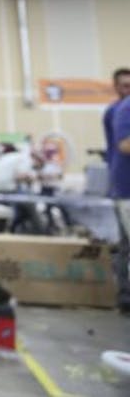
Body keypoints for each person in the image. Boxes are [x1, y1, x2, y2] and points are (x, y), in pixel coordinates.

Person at [108, 68, 130, 313]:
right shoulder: (122, 110)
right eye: (124, 85)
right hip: (126, 187)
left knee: (125, 246)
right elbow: (123, 145)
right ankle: (125, 296)